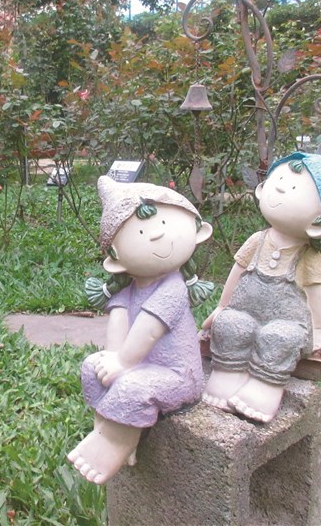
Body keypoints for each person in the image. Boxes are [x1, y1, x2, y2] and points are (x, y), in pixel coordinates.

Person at [202, 151, 321, 423]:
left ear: (318, 224)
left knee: (279, 338)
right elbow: (237, 271)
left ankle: (264, 388)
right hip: (243, 309)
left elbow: (317, 292)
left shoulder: (308, 256)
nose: (281, 188)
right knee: (230, 325)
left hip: (287, 320)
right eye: (279, 180)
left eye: (294, 188)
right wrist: (222, 306)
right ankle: (227, 376)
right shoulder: (257, 240)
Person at [68, 176, 213, 484]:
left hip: (177, 376)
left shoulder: (172, 287)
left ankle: (118, 441)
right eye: (142, 232)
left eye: (165, 222)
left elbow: (149, 330)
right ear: (116, 260)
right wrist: (113, 359)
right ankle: (104, 429)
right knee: (93, 367)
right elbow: (118, 326)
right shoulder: (129, 288)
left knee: (132, 386)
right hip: (141, 366)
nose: (157, 233)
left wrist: (123, 363)